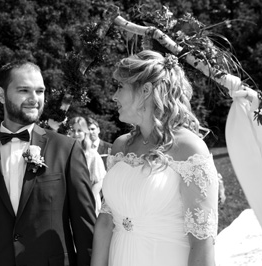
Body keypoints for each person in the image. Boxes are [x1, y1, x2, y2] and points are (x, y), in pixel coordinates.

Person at [0, 61, 96, 266]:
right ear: (1, 95)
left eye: (40, 91)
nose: (34, 99)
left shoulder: (67, 149)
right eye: (24, 90)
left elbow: (85, 227)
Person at [91, 50, 219, 266]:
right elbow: (105, 222)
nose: (114, 96)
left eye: (120, 86)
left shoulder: (189, 148)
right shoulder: (121, 145)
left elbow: (202, 241)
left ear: (146, 90)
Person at [69, 117, 106, 216]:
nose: (76, 134)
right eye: (73, 130)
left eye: (79, 131)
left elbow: (99, 181)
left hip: (88, 202)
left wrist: (88, 201)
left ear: (85, 132)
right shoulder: (65, 153)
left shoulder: (92, 155)